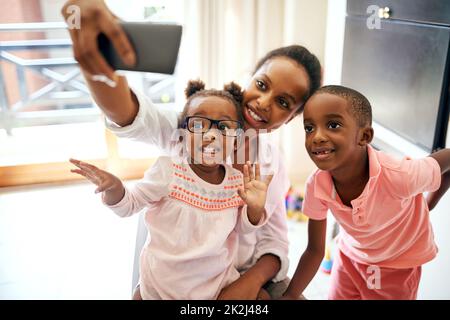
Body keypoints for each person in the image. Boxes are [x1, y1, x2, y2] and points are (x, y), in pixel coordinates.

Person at [61, 0, 322, 299]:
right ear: (250, 79)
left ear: (292, 118)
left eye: (284, 103)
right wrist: (97, 68)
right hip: (178, 285)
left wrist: (249, 283)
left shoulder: (272, 161)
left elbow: (274, 238)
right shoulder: (192, 127)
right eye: (262, 85)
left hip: (240, 277)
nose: (265, 102)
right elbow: (128, 115)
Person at [70, 80, 274, 299]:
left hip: (216, 282)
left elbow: (242, 230)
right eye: (198, 125)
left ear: (236, 142)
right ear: (183, 135)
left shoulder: (236, 181)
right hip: (164, 284)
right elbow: (128, 205)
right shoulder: (169, 171)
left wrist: (254, 209)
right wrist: (115, 188)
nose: (211, 135)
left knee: (262, 298)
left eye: (224, 127)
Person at [282, 85, 450, 300]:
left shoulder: (402, 175)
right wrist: (291, 294)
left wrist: (428, 205)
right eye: (309, 128)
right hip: (350, 257)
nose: (317, 137)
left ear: (364, 136)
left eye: (333, 125)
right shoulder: (317, 185)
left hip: (397, 265)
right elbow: (315, 250)